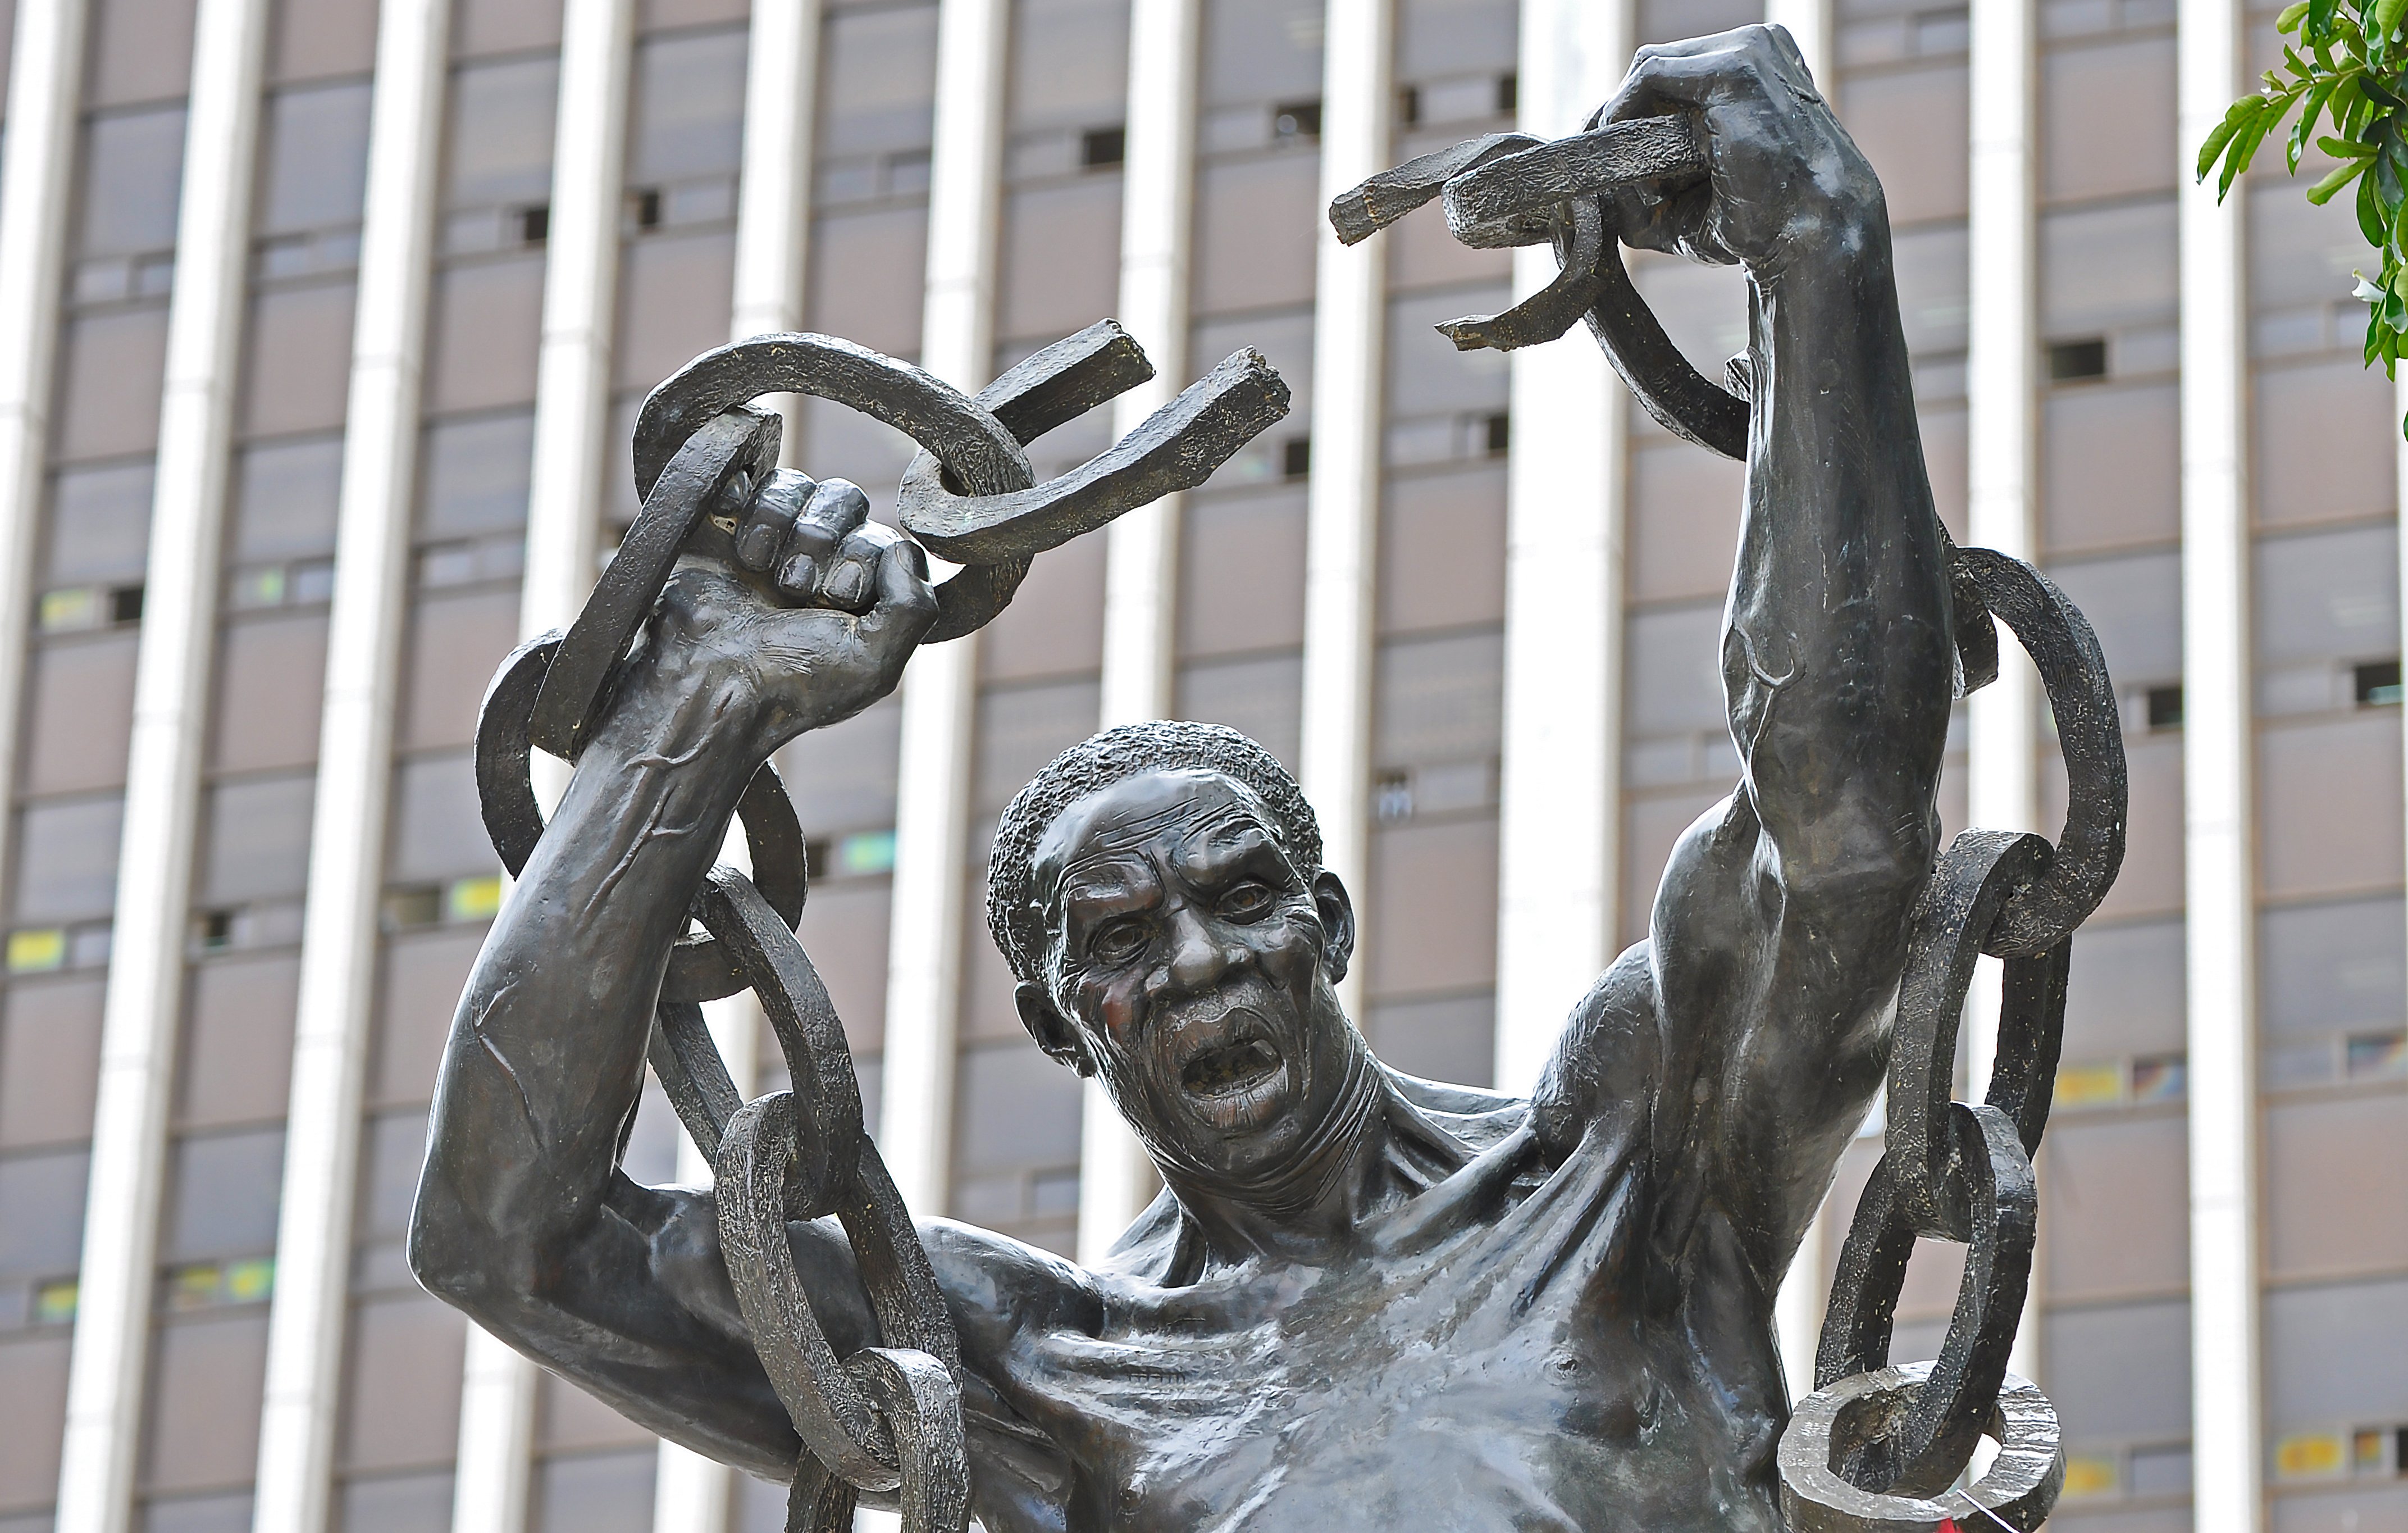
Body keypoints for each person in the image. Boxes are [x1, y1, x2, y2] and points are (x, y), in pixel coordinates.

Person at [411, 25, 1955, 1530]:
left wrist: (1822, 257)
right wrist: (696, 706)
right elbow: (514, 1246)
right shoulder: (1040, 1368)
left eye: (1237, 899)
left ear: (1327, 924)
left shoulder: (1621, 1172)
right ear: (1060, 1026)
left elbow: (1844, 832)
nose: (1203, 959)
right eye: (1128, 939)